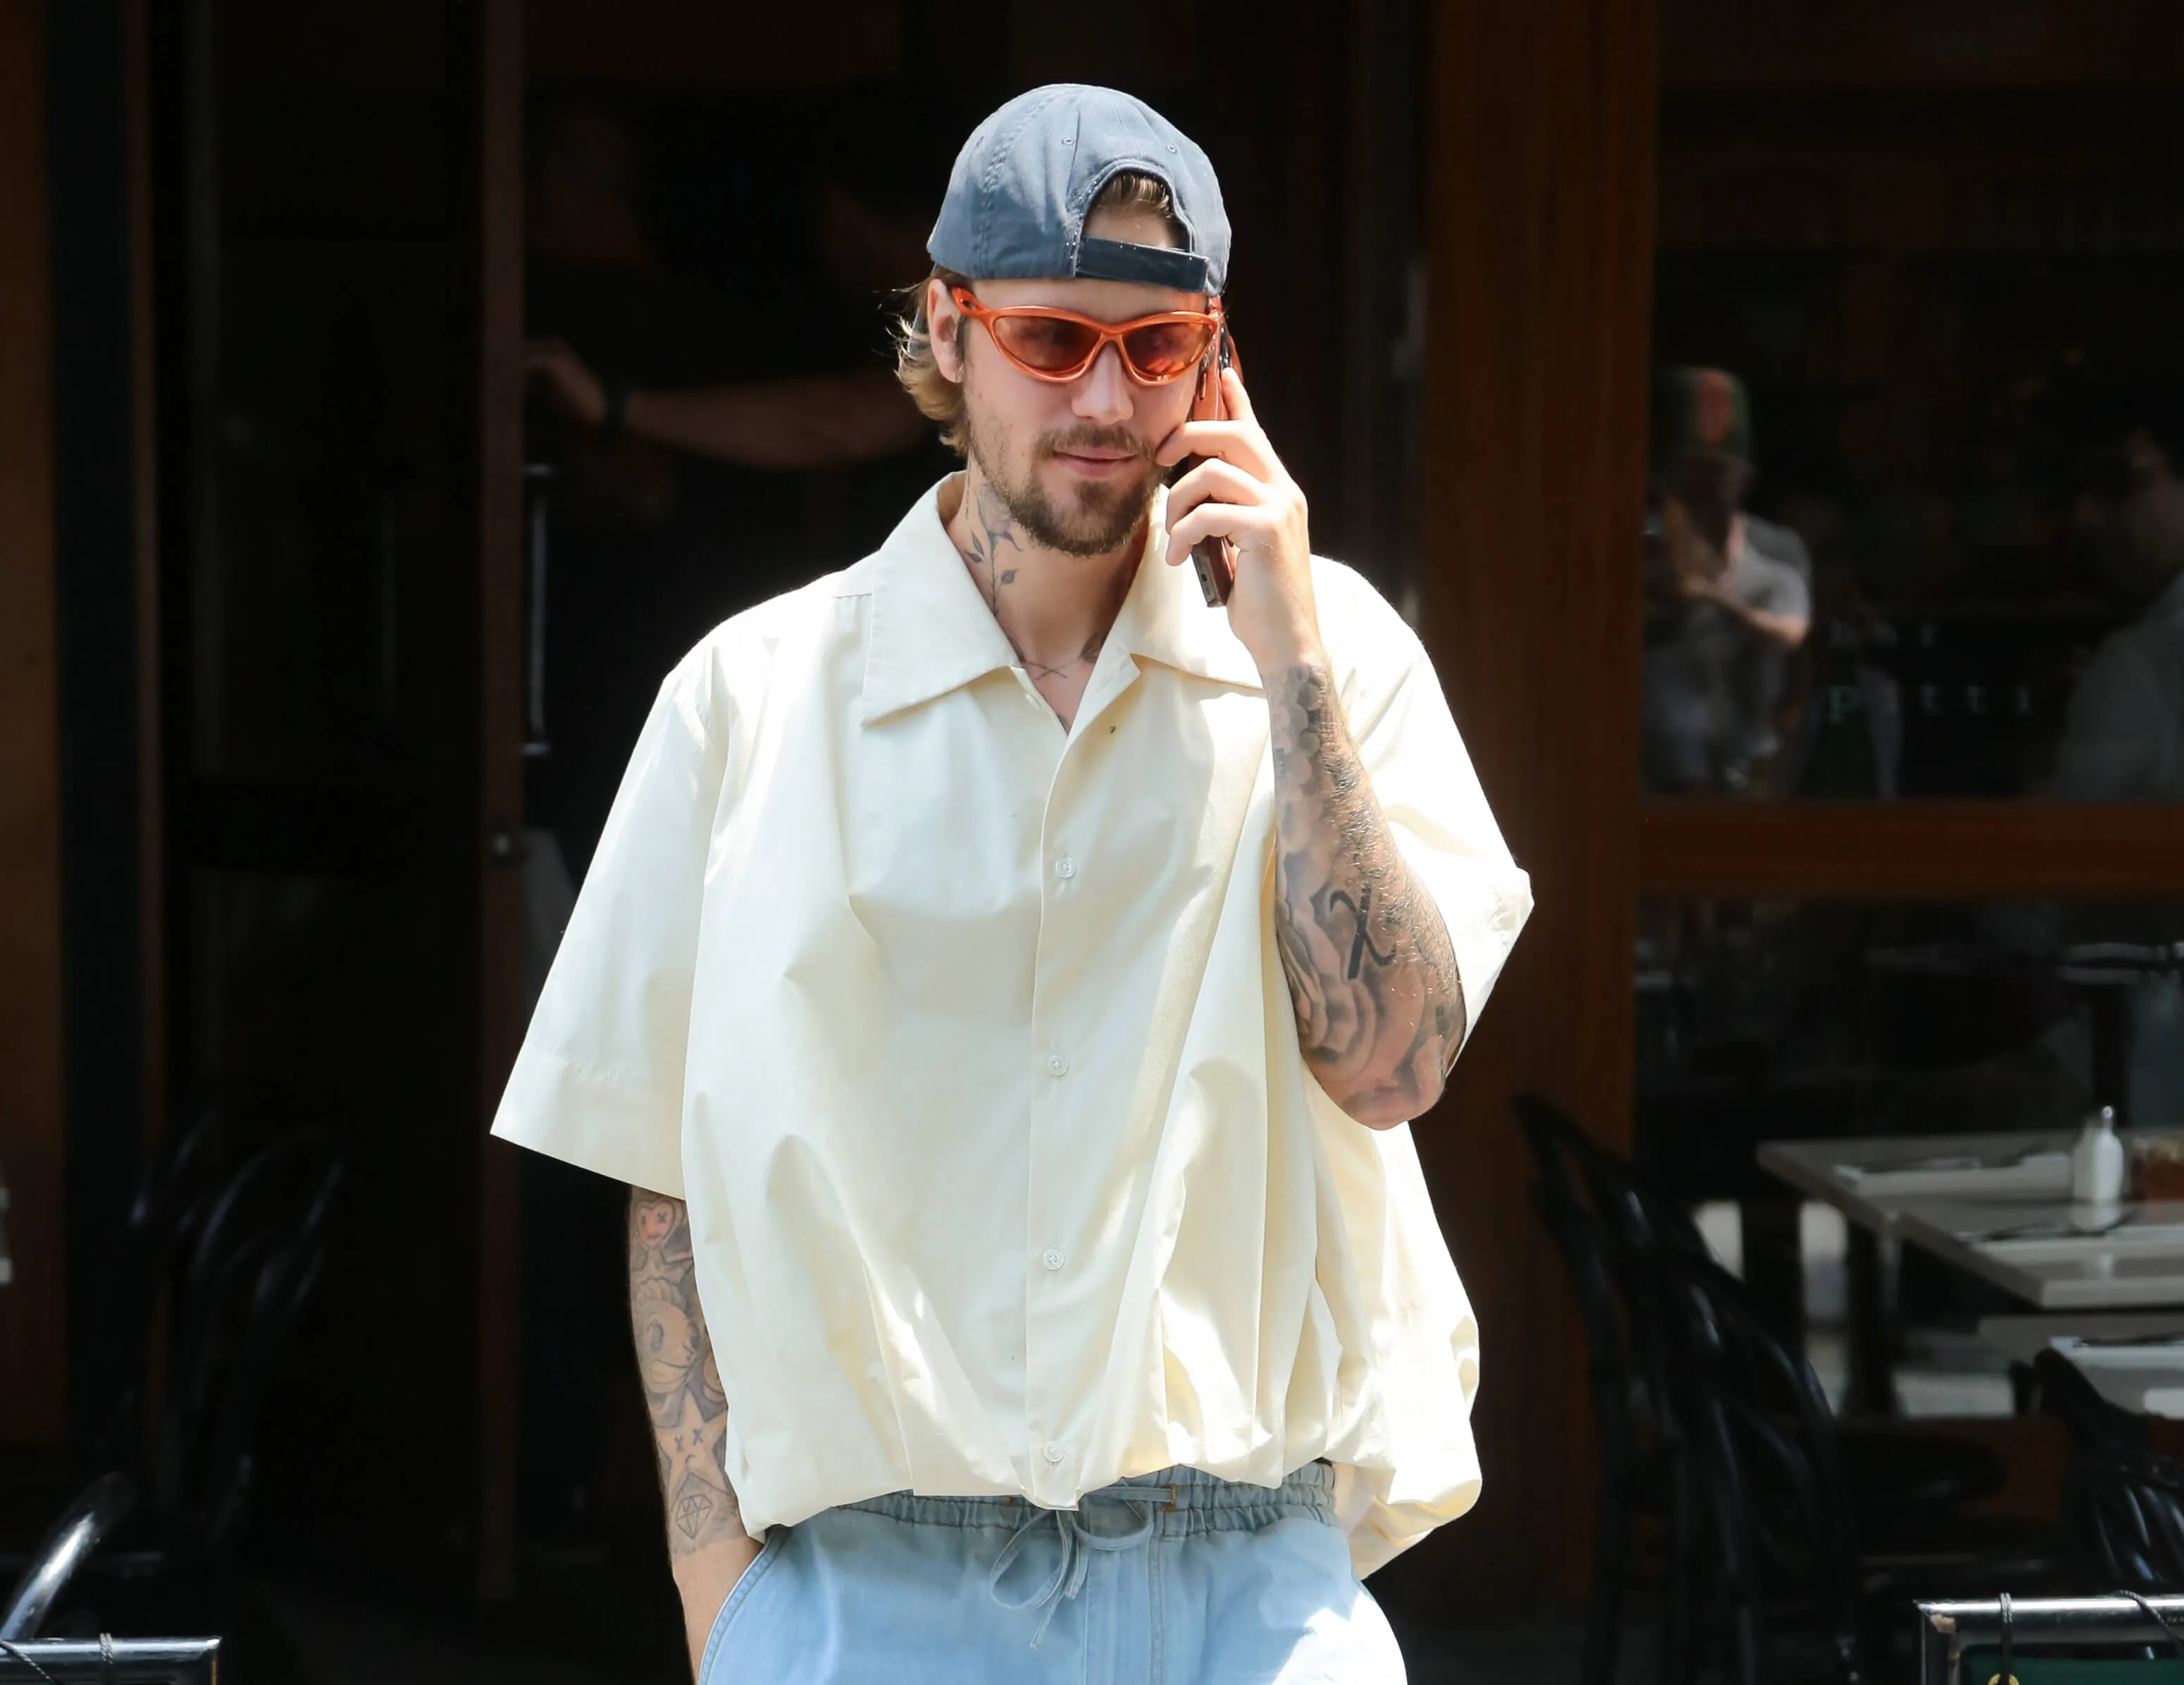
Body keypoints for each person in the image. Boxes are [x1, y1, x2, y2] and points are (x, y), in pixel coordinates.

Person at [492, 85, 1532, 1682]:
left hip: (1240, 1579)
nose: (1103, 397)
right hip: (875, 1586)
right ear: (947, 333)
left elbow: (1389, 1059)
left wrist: (1291, 662)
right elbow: (668, 1183)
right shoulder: (751, 696)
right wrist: (722, 1598)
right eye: (1053, 340)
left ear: (1216, 362)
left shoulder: (1329, 658)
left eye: (1155, 347)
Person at [1641, 367, 1813, 793]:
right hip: (1657, 768)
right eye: (1691, 470)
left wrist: (1786, 735)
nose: (1705, 485)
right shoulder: (1642, 545)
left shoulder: (1777, 549)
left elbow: (1799, 644)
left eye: (1718, 470)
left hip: (1752, 760)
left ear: (1744, 477)